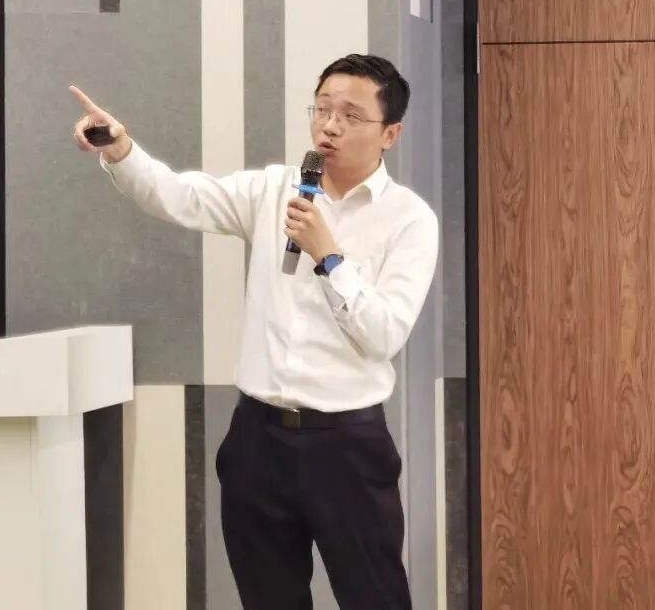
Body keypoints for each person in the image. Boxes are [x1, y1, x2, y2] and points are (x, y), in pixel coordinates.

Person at [70, 54, 438, 610]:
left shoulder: (409, 220)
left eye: (350, 115)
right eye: (322, 109)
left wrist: (329, 256)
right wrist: (120, 148)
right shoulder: (275, 189)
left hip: (347, 449)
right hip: (258, 441)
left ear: (390, 133)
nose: (329, 126)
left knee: (375, 597)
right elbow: (180, 196)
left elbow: (384, 336)